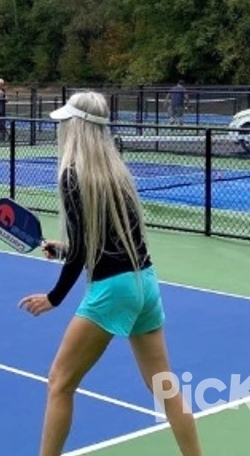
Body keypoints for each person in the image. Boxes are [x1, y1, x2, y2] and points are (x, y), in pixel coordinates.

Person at [18, 92, 202, 456]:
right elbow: (98, 243)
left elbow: (87, 250)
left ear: (76, 127)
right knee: (165, 389)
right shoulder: (117, 173)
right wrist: (67, 247)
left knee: (59, 382)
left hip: (113, 291)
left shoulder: (72, 175)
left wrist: (54, 297)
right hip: (144, 283)